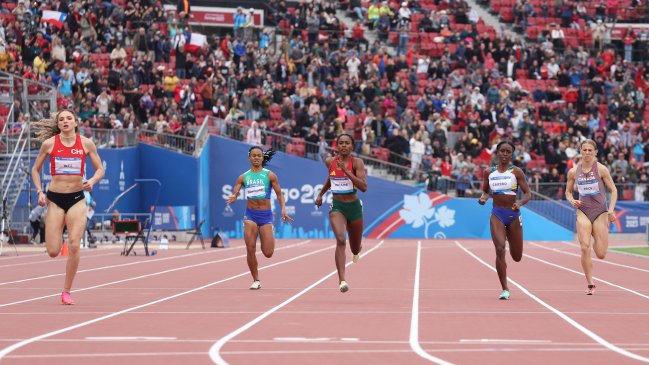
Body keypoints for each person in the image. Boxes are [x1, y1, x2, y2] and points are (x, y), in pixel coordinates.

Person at [30, 110, 105, 305]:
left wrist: (93, 181)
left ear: (75, 123)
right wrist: (39, 191)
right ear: (58, 123)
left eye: (68, 118)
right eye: (61, 119)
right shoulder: (50, 144)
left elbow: (100, 169)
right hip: (54, 199)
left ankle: (66, 291)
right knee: (53, 251)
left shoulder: (86, 143)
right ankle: (57, 230)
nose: (65, 121)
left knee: (73, 244)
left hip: (77, 199)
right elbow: (35, 170)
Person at [225, 147, 293, 290]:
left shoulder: (270, 175)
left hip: (266, 215)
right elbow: (236, 191)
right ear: (249, 158)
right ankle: (256, 279)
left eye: (259, 156)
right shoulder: (243, 177)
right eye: (253, 156)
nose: (256, 158)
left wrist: (284, 210)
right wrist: (234, 196)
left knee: (268, 253)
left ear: (262, 158)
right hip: (250, 215)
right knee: (250, 248)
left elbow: (280, 194)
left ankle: (266, 234)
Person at [315, 134, 368, 293]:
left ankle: (357, 250)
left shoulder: (357, 163)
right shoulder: (330, 162)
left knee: (355, 247)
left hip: (354, 207)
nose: (344, 146)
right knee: (340, 239)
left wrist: (346, 171)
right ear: (337, 146)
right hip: (337, 206)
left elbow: (363, 187)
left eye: (347, 143)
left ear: (352, 146)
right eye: (341, 143)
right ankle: (342, 280)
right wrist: (321, 194)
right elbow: (331, 179)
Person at [478, 141, 531, 300]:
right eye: (502, 151)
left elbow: (528, 194)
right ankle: (505, 289)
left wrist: (519, 203)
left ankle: (510, 237)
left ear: (512, 155)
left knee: (517, 257)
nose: (505, 154)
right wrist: (483, 198)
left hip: (513, 215)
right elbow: (486, 191)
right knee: (500, 249)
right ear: (497, 152)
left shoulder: (517, 172)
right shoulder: (489, 172)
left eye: (508, 152)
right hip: (497, 214)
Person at [565, 139, 617, 295]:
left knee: (601, 254)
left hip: (600, 212)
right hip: (583, 210)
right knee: (584, 247)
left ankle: (596, 235)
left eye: (590, 150)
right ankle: (590, 283)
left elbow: (613, 190)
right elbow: (568, 191)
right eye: (584, 150)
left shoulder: (601, 169)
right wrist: (572, 200)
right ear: (580, 151)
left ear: (595, 152)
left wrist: (611, 210)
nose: (587, 153)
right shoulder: (574, 171)